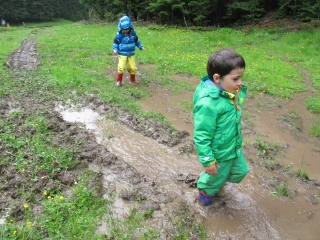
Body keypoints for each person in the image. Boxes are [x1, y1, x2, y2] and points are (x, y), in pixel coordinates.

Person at [193, 48, 249, 206]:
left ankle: (218, 181)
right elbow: (202, 135)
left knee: (241, 171)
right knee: (214, 178)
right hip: (220, 152)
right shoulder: (208, 104)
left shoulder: (229, 91)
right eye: (236, 79)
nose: (240, 83)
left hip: (232, 146)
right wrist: (208, 160)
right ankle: (204, 193)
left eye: (241, 78)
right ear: (217, 78)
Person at [112, 15, 145, 86]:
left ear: (130, 27)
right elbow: (115, 43)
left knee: (133, 68)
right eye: (124, 29)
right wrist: (115, 49)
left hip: (131, 53)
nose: (126, 31)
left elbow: (137, 41)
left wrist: (141, 46)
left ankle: (132, 80)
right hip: (122, 54)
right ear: (121, 28)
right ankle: (119, 81)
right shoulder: (119, 35)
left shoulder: (133, 34)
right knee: (121, 67)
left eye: (127, 29)